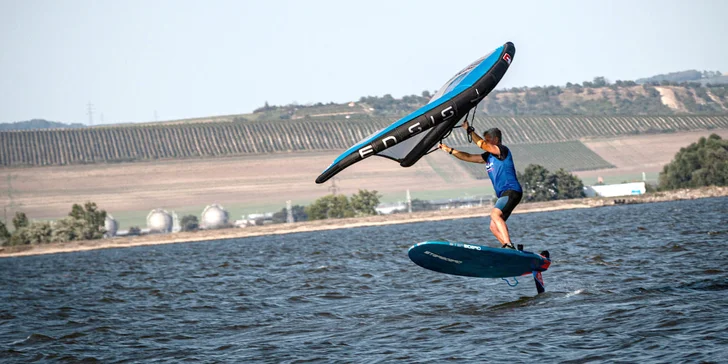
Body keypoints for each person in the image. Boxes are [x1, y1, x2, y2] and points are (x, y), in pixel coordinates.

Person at [438, 121, 523, 249]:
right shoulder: (488, 157)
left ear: (496, 139)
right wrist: (449, 150)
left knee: (495, 214)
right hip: (504, 194)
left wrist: (469, 130)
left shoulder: (502, 150)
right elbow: (467, 156)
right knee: (493, 226)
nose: (485, 142)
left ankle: (508, 245)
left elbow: (483, 145)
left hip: (511, 190)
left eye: (488, 140)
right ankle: (510, 250)